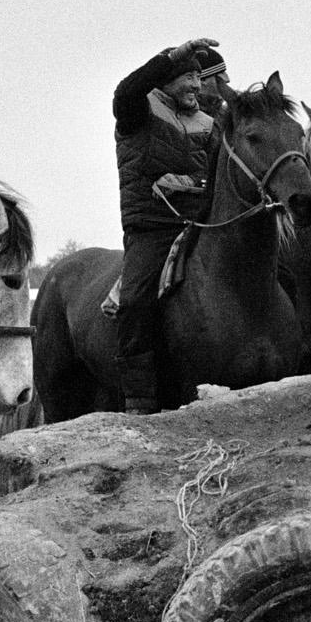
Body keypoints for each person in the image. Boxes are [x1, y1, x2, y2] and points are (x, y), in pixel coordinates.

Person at [111, 37, 228, 414]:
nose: (197, 85)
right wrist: (169, 58)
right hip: (152, 226)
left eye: (199, 77)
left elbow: (216, 179)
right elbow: (126, 89)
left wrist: (194, 185)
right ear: (167, 79)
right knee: (133, 302)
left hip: (201, 223)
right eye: (189, 77)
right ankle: (139, 396)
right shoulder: (137, 110)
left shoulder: (210, 124)